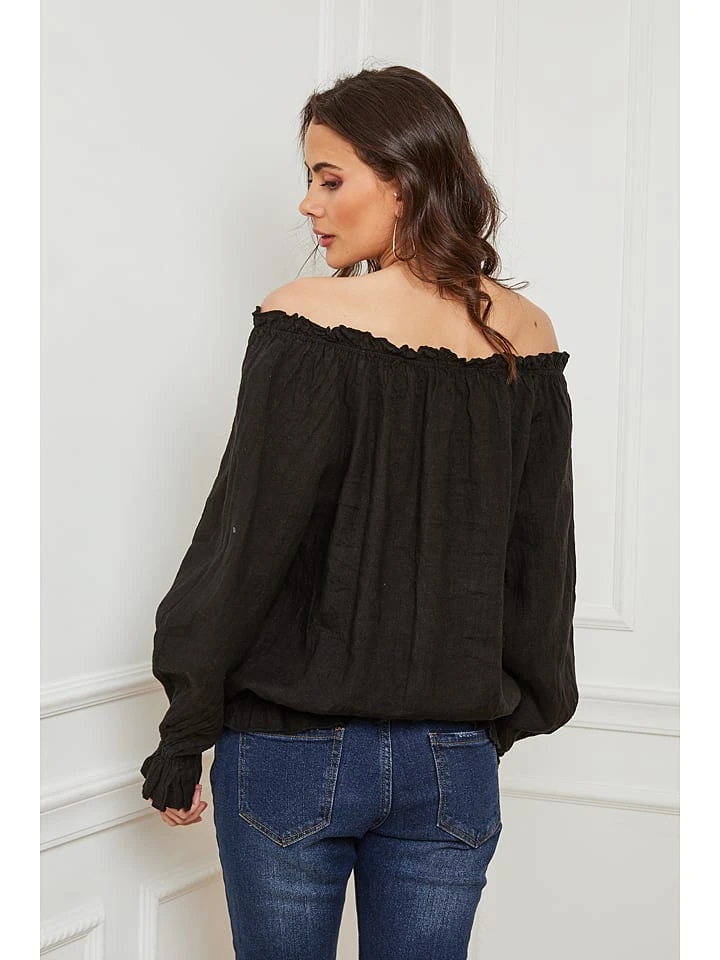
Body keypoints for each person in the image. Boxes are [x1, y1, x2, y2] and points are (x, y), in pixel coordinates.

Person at [139, 64, 578, 960]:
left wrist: (185, 732)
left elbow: (244, 545)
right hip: (453, 760)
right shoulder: (527, 334)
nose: (310, 204)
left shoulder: (303, 319)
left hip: (292, 753)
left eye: (330, 178)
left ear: (405, 178)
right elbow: (539, 564)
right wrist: (484, 725)